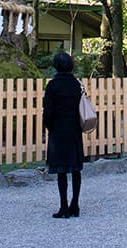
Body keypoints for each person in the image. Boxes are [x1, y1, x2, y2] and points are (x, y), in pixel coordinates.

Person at [43, 51, 84, 217]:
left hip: (58, 130)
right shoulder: (76, 84)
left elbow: (48, 110)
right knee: (75, 169)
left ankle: (63, 206)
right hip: (74, 128)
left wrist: (48, 125)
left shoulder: (53, 85)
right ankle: (75, 205)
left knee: (61, 171)